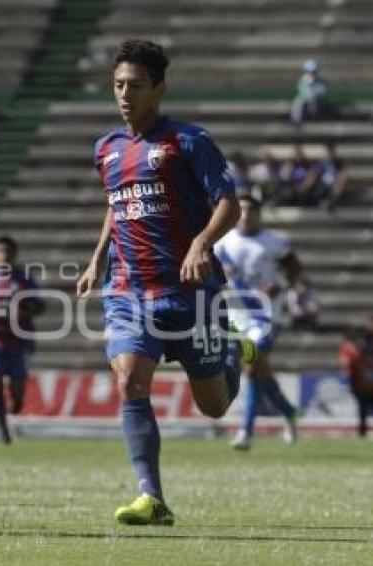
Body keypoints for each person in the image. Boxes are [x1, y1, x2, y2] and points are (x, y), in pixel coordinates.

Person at [76, 39, 254, 526]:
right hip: (130, 291)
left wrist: (201, 243)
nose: (124, 94)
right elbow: (116, 209)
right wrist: (97, 260)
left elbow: (229, 204)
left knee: (214, 406)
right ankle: (150, 496)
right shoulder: (106, 149)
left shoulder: (189, 142)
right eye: (118, 85)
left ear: (159, 88)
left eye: (135, 85)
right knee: (130, 379)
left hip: (191, 293)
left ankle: (234, 348)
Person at [215, 195, 301, 451]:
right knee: (258, 371)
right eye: (241, 210)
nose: (246, 215)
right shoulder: (223, 242)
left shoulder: (273, 242)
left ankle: (246, 432)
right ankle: (289, 411)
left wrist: (283, 285)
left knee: (251, 369)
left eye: (251, 210)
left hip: (265, 316)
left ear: (259, 214)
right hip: (234, 318)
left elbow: (295, 268)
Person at [0, 236, 43, 444]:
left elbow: (39, 305)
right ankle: (3, 429)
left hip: (18, 341)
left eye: (8, 252)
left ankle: (15, 408)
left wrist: (25, 311)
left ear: (14, 255)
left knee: (18, 387)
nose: (3, 256)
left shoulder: (23, 280)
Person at [337, 320, 373, 437]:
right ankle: (362, 432)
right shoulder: (356, 346)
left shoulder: (360, 345)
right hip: (360, 380)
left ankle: (362, 432)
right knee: (362, 408)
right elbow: (347, 362)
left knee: (363, 407)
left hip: (364, 378)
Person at [290, 59, 328, 128]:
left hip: (316, 105)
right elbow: (302, 93)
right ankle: (297, 123)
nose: (312, 73)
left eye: (313, 71)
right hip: (304, 105)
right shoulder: (303, 81)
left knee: (308, 103)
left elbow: (321, 93)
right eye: (309, 71)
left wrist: (313, 95)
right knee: (297, 102)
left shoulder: (321, 81)